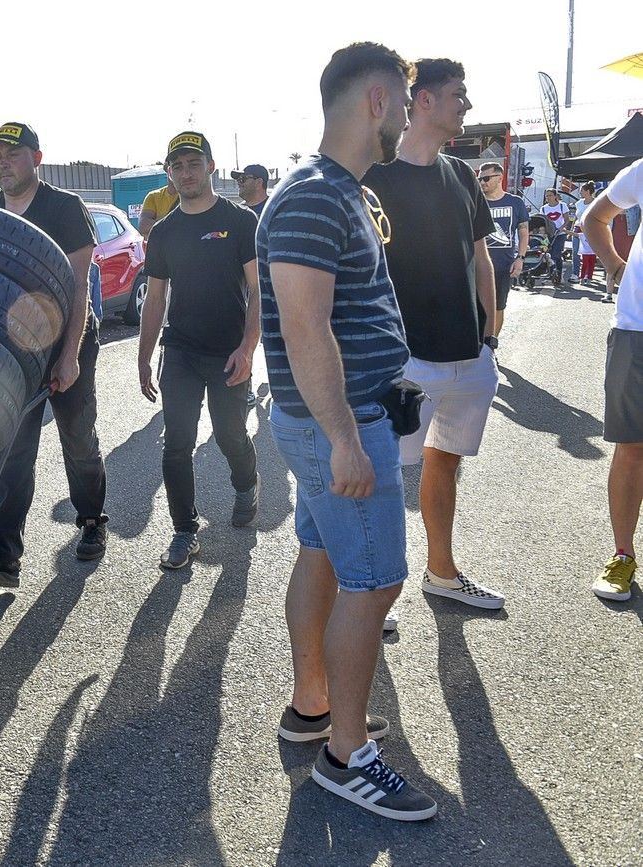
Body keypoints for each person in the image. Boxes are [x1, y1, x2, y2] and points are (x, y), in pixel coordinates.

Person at [259, 41, 437, 822]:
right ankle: (345, 757)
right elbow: (306, 332)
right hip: (339, 425)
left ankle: (313, 708)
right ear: (375, 101)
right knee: (376, 581)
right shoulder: (312, 196)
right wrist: (344, 441)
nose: (407, 112)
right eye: (403, 99)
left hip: (337, 420)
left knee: (325, 556)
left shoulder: (338, 191)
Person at [363, 57, 506, 612]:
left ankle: (441, 574)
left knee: (445, 460)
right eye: (458, 95)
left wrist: (489, 337)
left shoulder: (462, 174)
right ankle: (374, 595)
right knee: (382, 475)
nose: (466, 105)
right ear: (422, 101)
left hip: (467, 357)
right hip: (401, 360)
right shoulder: (371, 176)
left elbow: (481, 257)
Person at [0, 121, 108, 589]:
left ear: (37, 157)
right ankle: (4, 554)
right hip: (15, 352)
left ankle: (91, 520)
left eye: (12, 152)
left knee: (77, 437)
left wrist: (68, 357)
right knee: (13, 451)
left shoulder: (65, 208)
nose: (2, 161)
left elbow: (79, 289)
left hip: (68, 341)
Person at [137, 131, 261, 569]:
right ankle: (184, 531)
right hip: (182, 351)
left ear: (210, 166)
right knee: (176, 444)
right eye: (178, 166)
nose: (186, 172)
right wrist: (143, 356)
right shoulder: (165, 232)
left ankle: (247, 484)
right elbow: (155, 299)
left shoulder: (241, 221)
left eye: (194, 163)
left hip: (228, 352)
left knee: (230, 436)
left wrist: (248, 348)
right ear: (170, 175)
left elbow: (257, 290)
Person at [582, 156, 643, 601]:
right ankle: (623, 554)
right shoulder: (640, 171)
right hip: (636, 329)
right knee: (633, 447)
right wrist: (617, 267)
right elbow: (595, 217)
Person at [478, 161, 529, 335]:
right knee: (475, 307)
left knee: (498, 307)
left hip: (503, 265)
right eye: (480, 179)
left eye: (486, 178)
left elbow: (523, 232)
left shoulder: (515, 202)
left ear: (499, 178)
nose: (482, 182)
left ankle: (491, 344)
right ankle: (476, 345)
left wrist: (520, 259)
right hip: (477, 264)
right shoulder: (476, 201)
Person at [541, 188, 571, 287]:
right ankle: (550, 274)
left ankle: (559, 274)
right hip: (548, 234)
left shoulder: (562, 206)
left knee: (556, 254)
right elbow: (542, 222)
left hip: (560, 234)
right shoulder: (544, 208)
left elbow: (567, 220)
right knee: (547, 254)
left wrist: (561, 228)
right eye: (546, 196)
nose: (548, 197)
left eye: (550, 195)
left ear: (555, 196)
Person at [570, 182, 597, 284]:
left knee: (589, 254)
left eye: (582, 190)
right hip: (578, 228)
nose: (580, 192)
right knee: (576, 251)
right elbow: (576, 217)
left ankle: (588, 276)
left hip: (590, 230)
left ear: (588, 191)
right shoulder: (579, 203)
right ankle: (575, 273)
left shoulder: (596, 202)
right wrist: (572, 229)